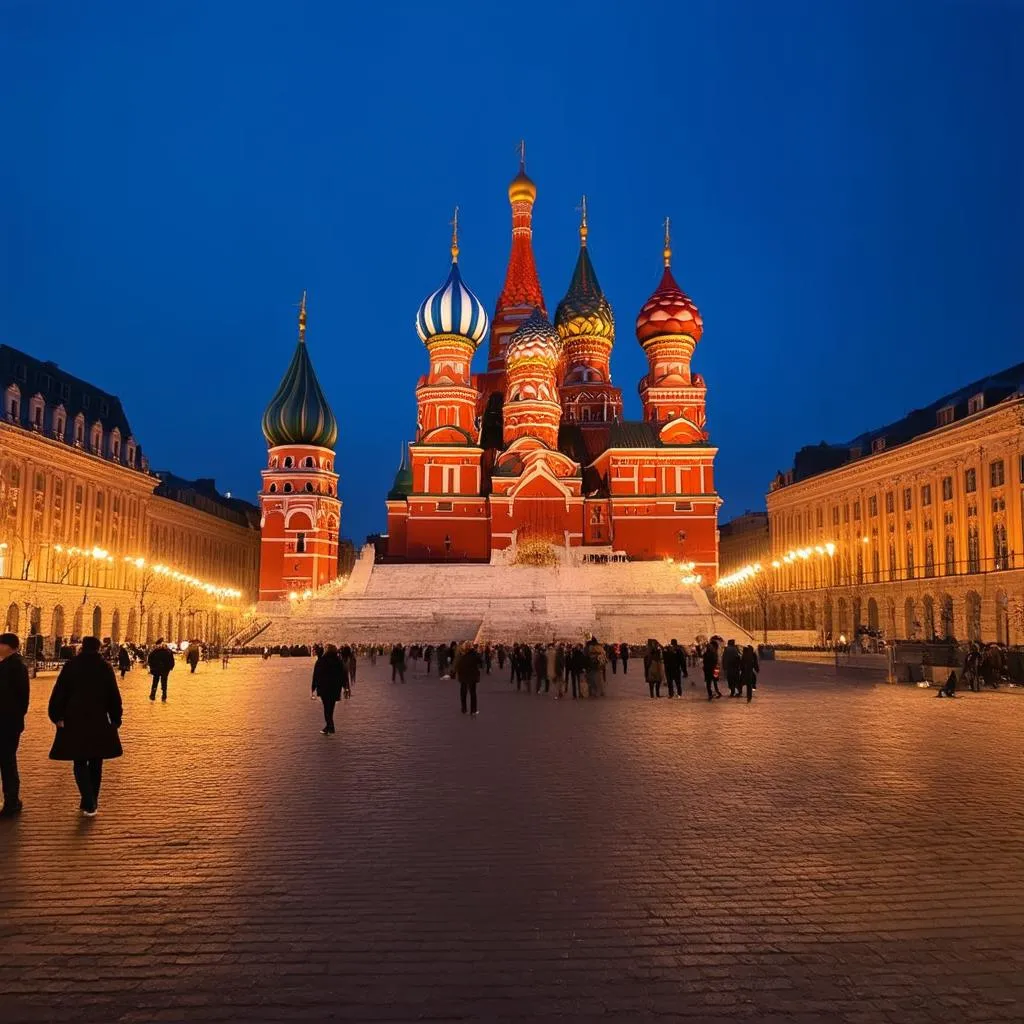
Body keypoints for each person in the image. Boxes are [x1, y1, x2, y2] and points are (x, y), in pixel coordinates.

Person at [47, 636, 123, 816]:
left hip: (74, 718)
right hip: (98, 719)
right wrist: (116, 718)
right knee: (96, 762)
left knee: (79, 760)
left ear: (82, 647)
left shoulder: (72, 666)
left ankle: (87, 800)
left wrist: (56, 716)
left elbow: (60, 692)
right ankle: (91, 801)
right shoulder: (105, 667)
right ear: (98, 648)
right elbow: (113, 695)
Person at [0, 633, 30, 818]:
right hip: (8, 722)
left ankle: (12, 801)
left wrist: (14, 717)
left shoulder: (16, 666)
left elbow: (22, 698)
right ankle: (11, 800)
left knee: (7, 762)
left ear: (9, 646)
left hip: (7, 723)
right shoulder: (7, 665)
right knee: (6, 761)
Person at [311, 644, 346, 734]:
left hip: (324, 688)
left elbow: (316, 675)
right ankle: (329, 726)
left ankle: (330, 727)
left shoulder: (321, 661)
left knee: (327, 708)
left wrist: (313, 687)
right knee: (331, 708)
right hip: (335, 688)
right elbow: (343, 675)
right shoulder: (338, 661)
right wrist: (345, 687)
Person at [456, 642, 482, 716]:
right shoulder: (474, 654)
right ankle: (473, 710)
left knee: (463, 693)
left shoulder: (461, 654)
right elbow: (480, 661)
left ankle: (464, 709)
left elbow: (458, 664)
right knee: (473, 693)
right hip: (472, 676)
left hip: (463, 676)